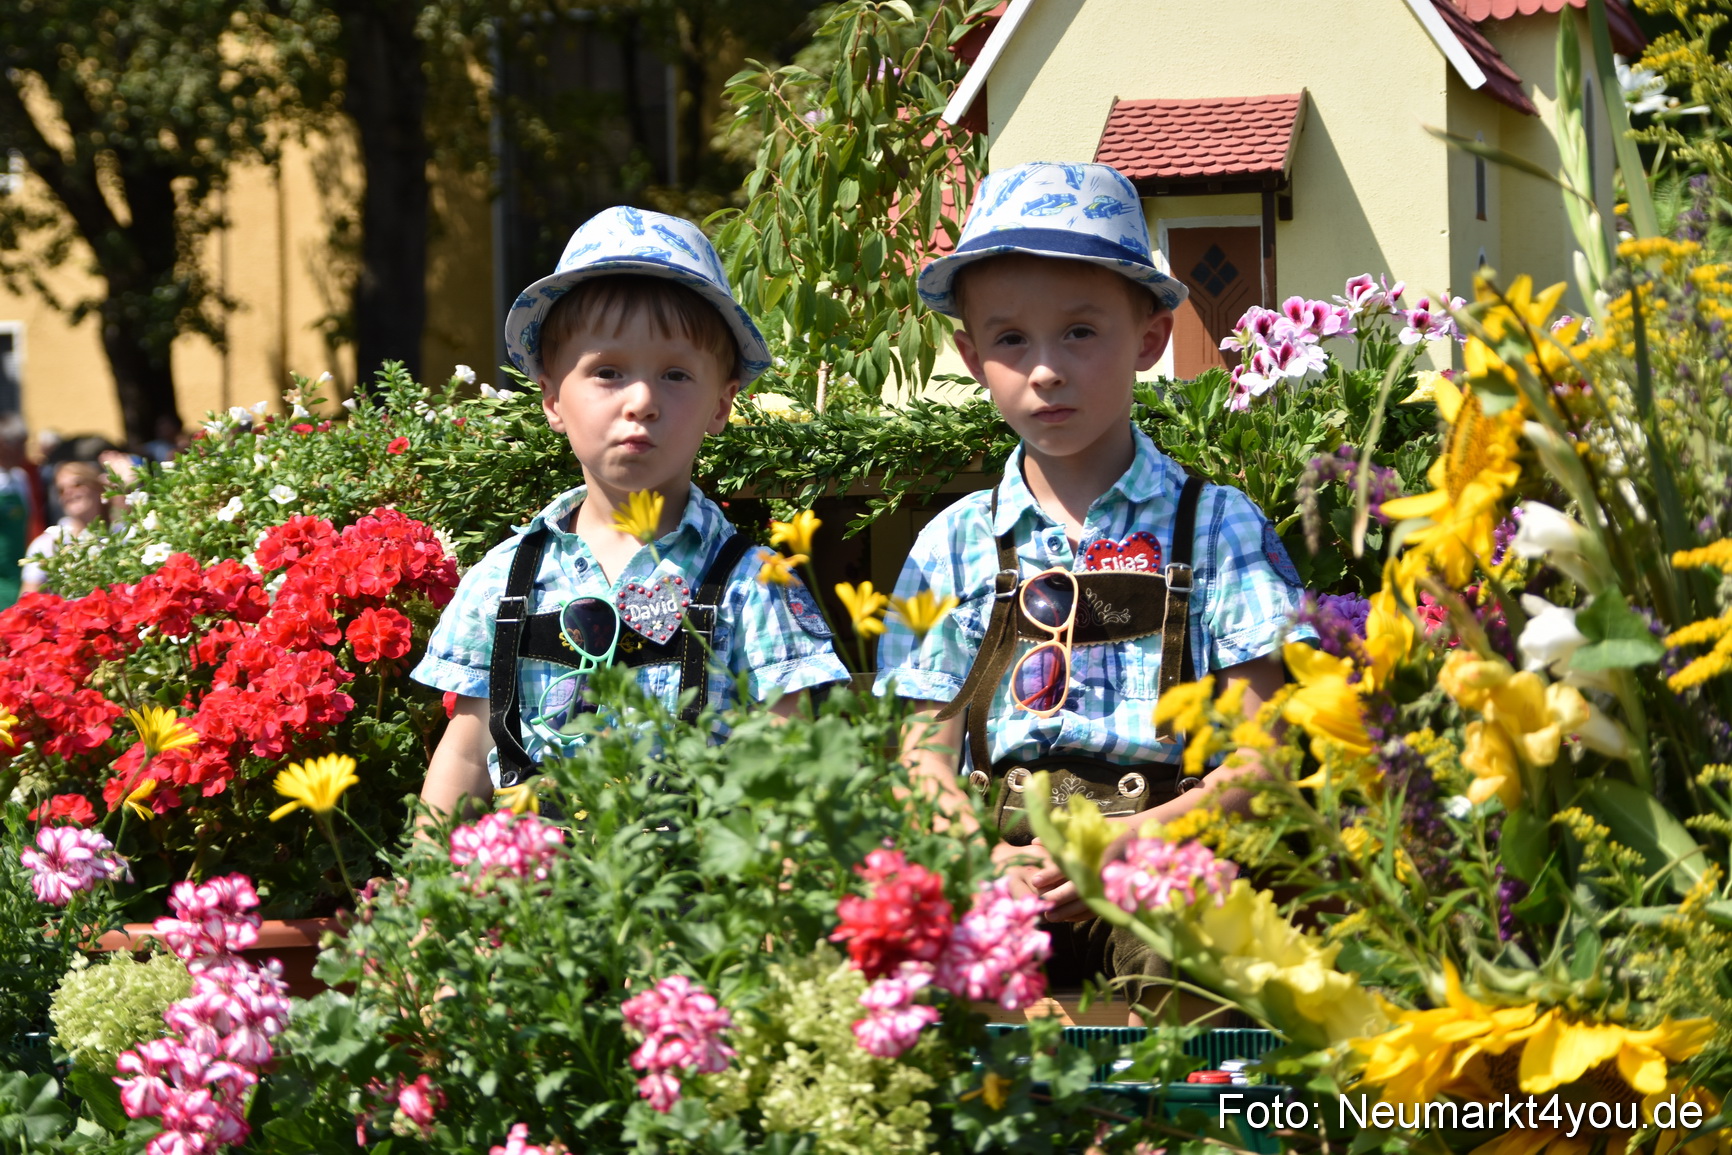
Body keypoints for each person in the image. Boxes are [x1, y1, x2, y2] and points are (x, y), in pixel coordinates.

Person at [874, 162, 1315, 1010]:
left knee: (1192, 972)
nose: (1045, 370)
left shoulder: (1216, 529)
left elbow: (1267, 758)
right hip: (999, 859)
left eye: (1081, 332)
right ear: (971, 356)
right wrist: (974, 857)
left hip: (1164, 848)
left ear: (1149, 338)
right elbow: (920, 756)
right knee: (909, 979)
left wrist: (1133, 848)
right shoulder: (956, 544)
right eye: (1010, 341)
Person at [415, 206, 849, 815]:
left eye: (675, 374)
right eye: (608, 372)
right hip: (530, 895)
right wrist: (429, 891)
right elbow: (464, 757)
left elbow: (793, 765)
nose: (641, 400)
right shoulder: (506, 581)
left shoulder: (753, 587)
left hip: (695, 898)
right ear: (551, 397)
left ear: (721, 405)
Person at [20, 462, 109, 595]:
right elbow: (28, 601)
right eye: (61, 490)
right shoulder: (47, 544)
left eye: (77, 484)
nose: (68, 492)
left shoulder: (122, 533)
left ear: (98, 488)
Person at [0, 414, 35, 608]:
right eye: (19, 444)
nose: (24, 451)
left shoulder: (21, 478)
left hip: (17, 572)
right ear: (2, 444)